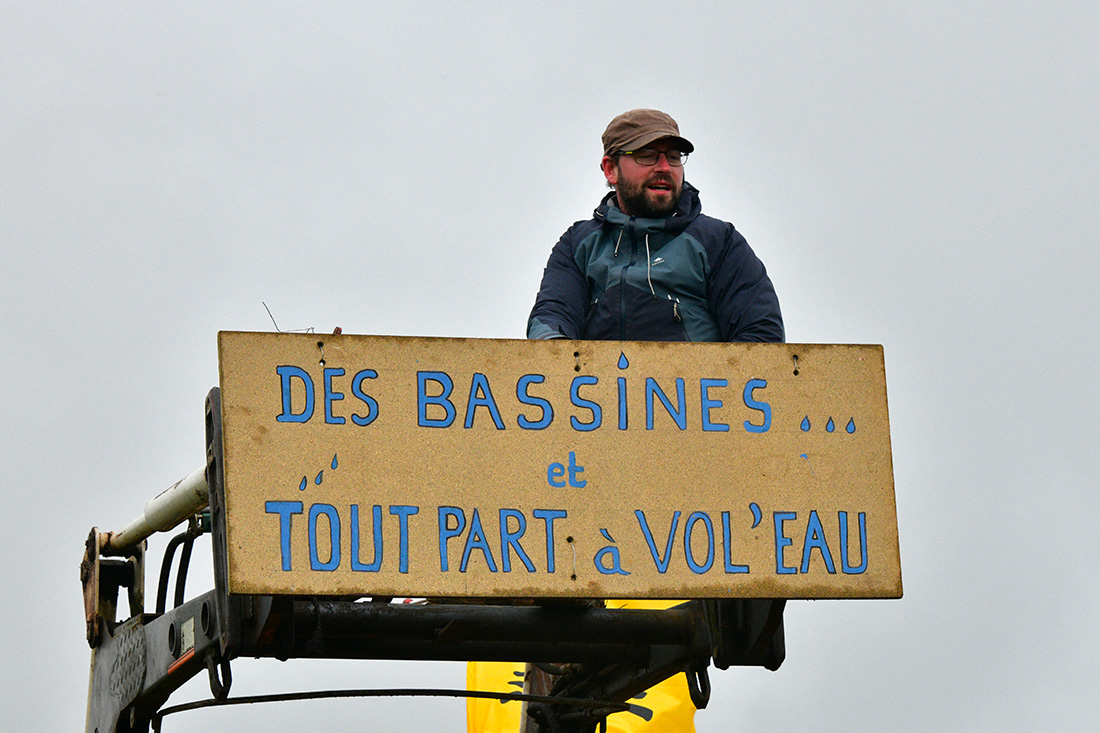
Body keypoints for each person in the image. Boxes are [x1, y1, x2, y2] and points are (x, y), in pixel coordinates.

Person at [527, 108, 783, 343]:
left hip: (695, 392)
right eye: (647, 156)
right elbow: (551, 321)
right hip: (600, 392)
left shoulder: (719, 241)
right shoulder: (577, 243)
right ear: (610, 169)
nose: (664, 168)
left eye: (673, 157)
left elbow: (761, 334)